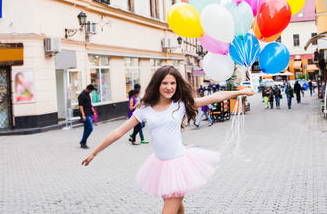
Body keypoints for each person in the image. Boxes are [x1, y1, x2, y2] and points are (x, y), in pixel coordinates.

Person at [82, 66, 254, 213]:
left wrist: (240, 91)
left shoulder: (180, 105)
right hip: (160, 166)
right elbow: (118, 132)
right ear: (157, 85)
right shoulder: (145, 109)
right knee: (178, 208)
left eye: (173, 83)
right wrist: (94, 153)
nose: (169, 87)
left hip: (179, 166)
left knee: (170, 208)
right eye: (165, 83)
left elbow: (215, 97)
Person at [78, 84, 97, 149]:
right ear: (88, 89)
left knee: (86, 129)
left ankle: (83, 143)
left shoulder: (88, 94)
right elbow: (80, 106)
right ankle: (82, 141)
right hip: (85, 115)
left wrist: (93, 112)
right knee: (90, 128)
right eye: (91, 91)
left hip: (88, 113)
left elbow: (90, 104)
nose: (91, 92)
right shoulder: (81, 95)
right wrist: (83, 115)